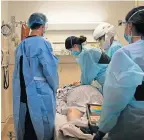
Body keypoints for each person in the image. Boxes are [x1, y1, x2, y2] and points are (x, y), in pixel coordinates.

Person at [93, 6, 144, 140]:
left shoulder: (126, 54)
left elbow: (115, 100)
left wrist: (102, 129)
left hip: (133, 125)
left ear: (130, 26)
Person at [13, 13, 59, 140]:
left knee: (27, 124)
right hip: (39, 94)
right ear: (43, 27)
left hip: (22, 95)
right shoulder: (43, 44)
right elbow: (50, 70)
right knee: (41, 126)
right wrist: (56, 87)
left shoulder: (21, 45)